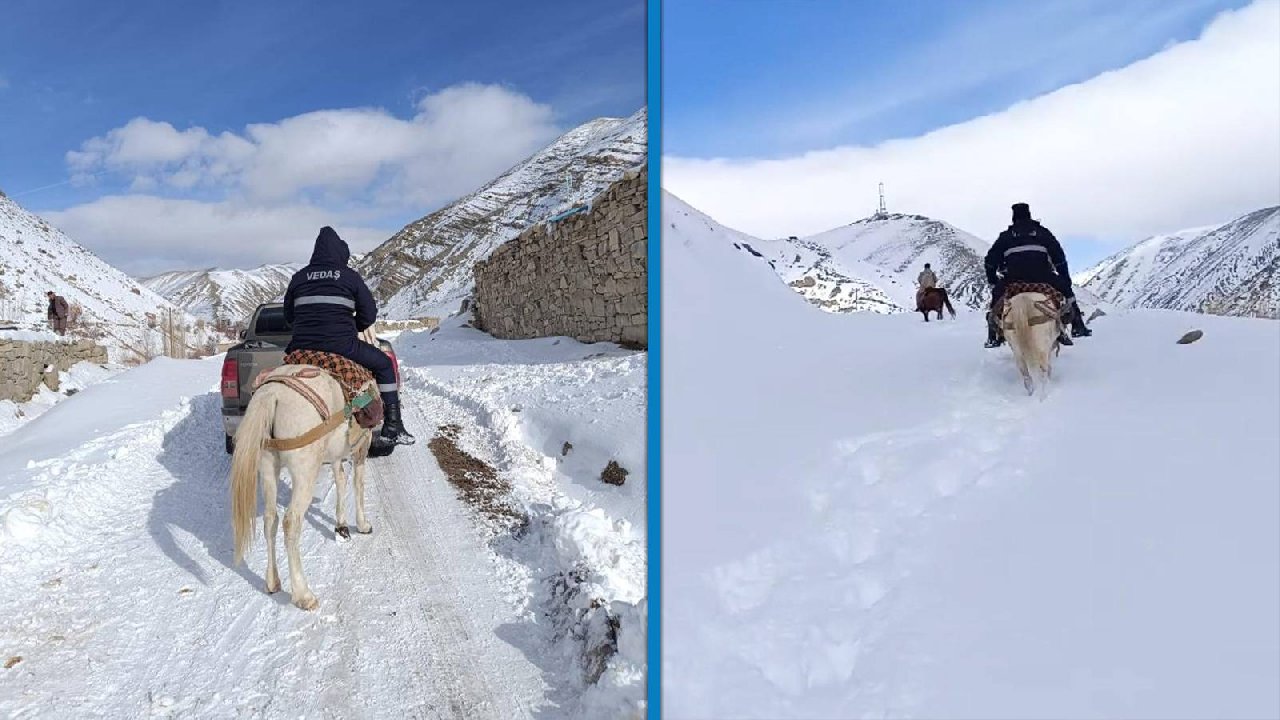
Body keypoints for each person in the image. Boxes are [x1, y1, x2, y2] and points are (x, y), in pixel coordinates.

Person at [282, 227, 415, 446]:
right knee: (383, 364)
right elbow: (369, 314)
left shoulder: (298, 278)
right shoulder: (349, 277)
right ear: (340, 255)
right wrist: (353, 326)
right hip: (341, 345)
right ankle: (393, 425)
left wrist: (307, 328)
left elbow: (288, 317)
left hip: (301, 349)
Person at [983, 203, 1091, 348]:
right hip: (1043, 276)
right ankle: (1078, 325)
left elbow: (990, 262)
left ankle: (993, 336)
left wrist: (994, 281)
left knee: (996, 302)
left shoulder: (1006, 236)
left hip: (1013, 279)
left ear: (1014, 217)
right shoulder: (1042, 233)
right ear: (1029, 215)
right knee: (1068, 294)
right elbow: (1059, 258)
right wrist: (1065, 279)